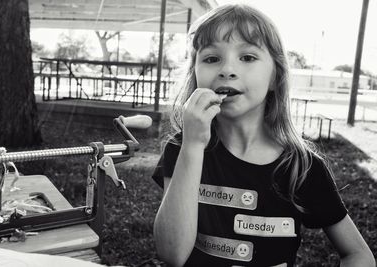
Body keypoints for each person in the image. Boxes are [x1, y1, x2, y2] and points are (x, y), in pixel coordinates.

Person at [152, 3, 375, 267]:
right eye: (212, 58)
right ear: (195, 74)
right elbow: (171, 254)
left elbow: (359, 254)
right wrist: (192, 146)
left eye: (247, 57)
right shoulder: (182, 148)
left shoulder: (302, 168)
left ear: (274, 78)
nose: (227, 69)